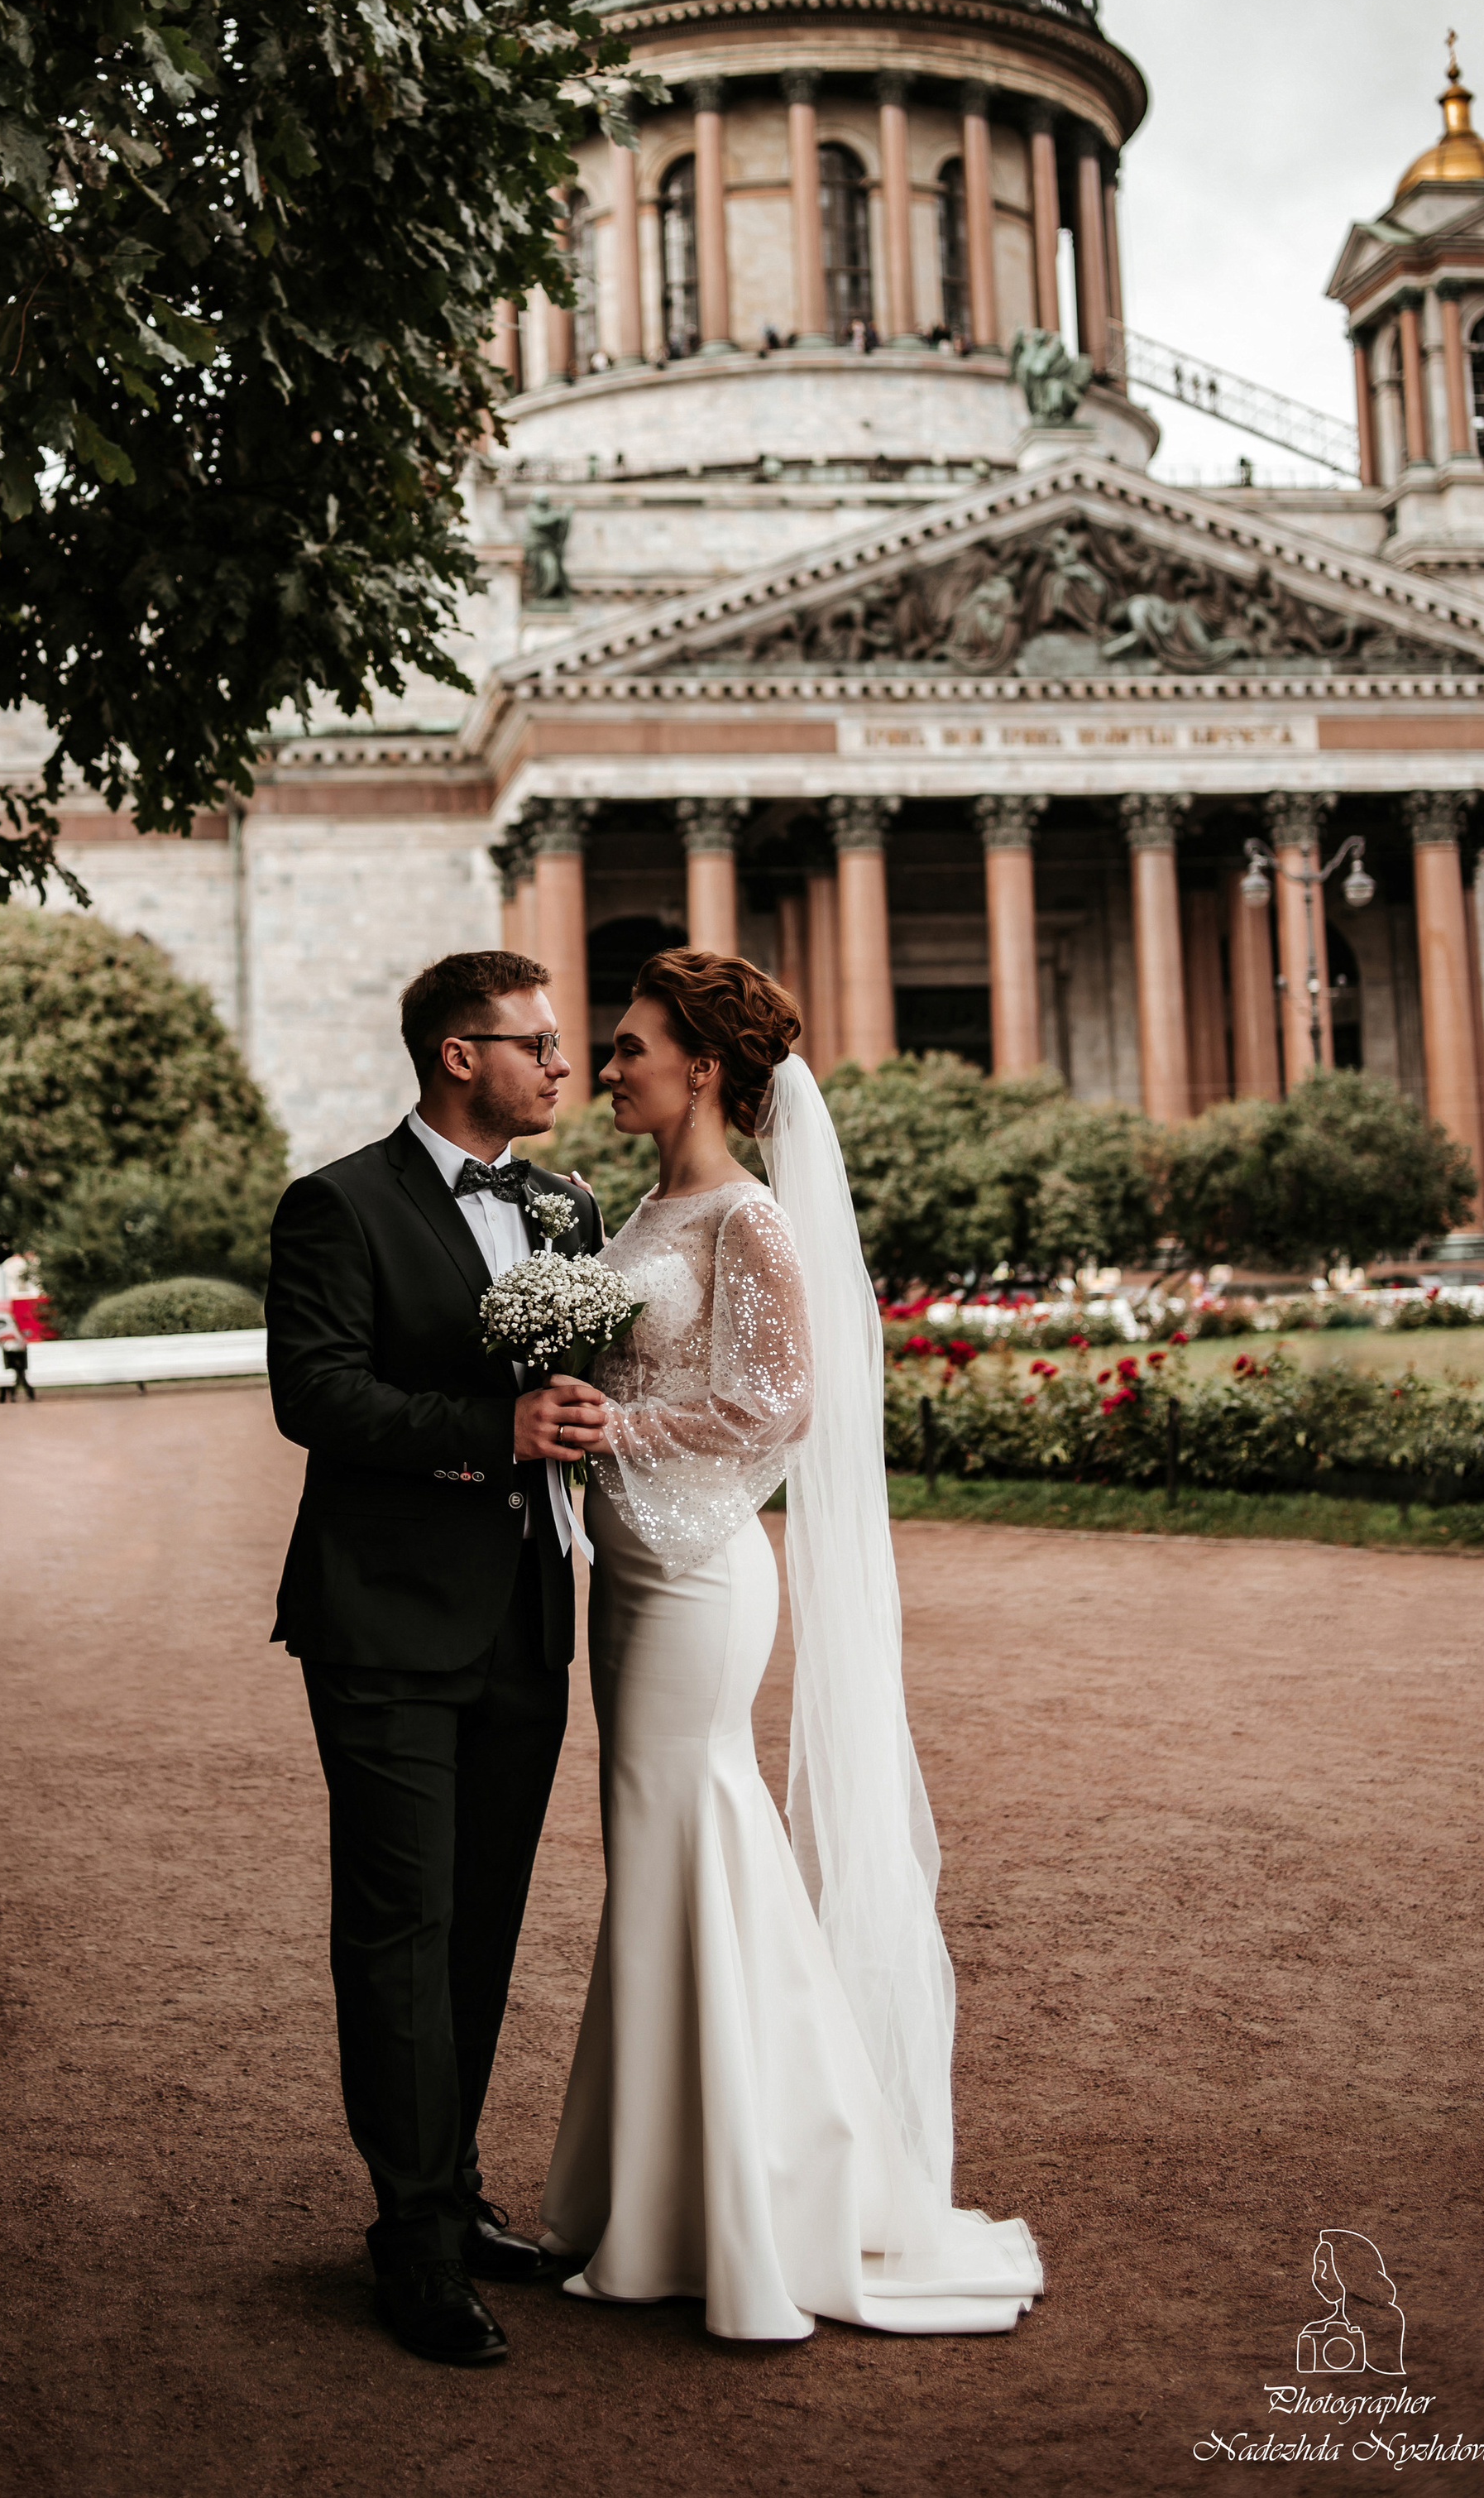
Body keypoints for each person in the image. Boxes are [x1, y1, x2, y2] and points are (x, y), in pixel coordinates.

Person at [539, 947, 1043, 2339]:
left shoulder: (749, 1220)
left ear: (703, 1068)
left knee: (696, 1832)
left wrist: (610, 1430)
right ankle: (667, 2186)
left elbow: (777, 1405)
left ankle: (751, 2197)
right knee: (660, 1856)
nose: (613, 1061)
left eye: (635, 1042)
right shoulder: (641, 1206)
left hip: (700, 1573)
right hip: (633, 1568)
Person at [266, 951, 605, 2367]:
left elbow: (583, 1376)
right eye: (536, 1044)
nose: (561, 1067)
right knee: (400, 1923)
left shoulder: (564, 1205)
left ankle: (454, 2191)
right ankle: (409, 2237)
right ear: (459, 1054)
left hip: (529, 1617)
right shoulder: (338, 1204)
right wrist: (493, 1431)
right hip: (386, 1620)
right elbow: (318, 1395)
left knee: (480, 1920)